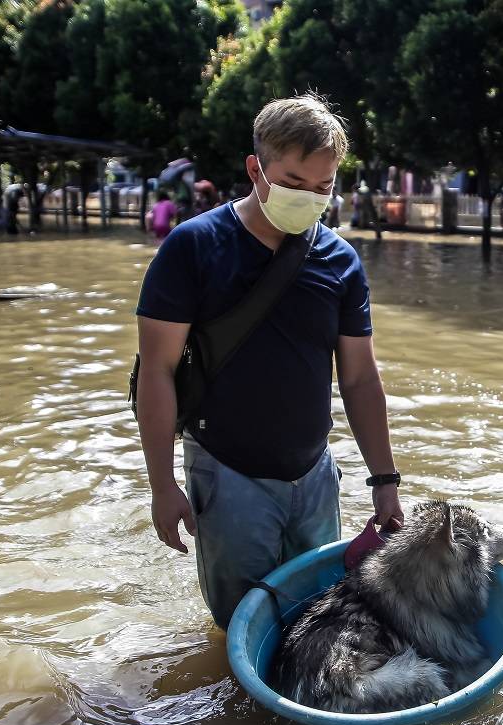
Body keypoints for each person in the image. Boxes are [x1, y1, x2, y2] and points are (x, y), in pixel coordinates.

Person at [135, 94, 405, 629]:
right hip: (227, 472)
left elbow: (358, 377)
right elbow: (156, 371)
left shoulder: (340, 261)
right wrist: (163, 486)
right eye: (293, 183)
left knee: (319, 621)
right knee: (240, 626)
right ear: (255, 169)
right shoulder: (193, 247)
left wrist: (384, 478)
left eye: (323, 187)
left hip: (313, 475)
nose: (309, 197)